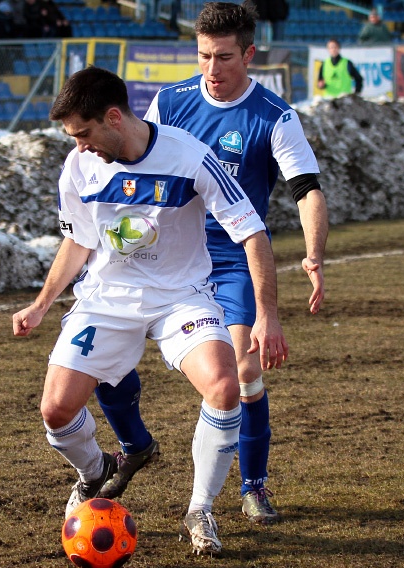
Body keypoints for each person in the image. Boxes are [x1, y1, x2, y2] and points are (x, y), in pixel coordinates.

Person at [10, 66, 288, 556]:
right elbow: (78, 240)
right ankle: (95, 471)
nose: (80, 147)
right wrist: (40, 304)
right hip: (108, 298)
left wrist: (266, 314)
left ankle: (200, 509)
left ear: (114, 118)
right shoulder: (78, 168)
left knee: (225, 388)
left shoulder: (190, 155)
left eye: (85, 134)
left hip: (181, 296)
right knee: (55, 410)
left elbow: (252, 232)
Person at [94, 0, 328, 527]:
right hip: (165, 253)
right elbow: (137, 161)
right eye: (203, 56)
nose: (212, 70)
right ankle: (135, 444)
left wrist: (314, 254)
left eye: (223, 57)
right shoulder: (171, 101)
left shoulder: (274, 117)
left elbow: (307, 191)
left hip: (231, 260)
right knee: (104, 350)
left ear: (248, 54)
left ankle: (253, 485)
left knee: (244, 369)